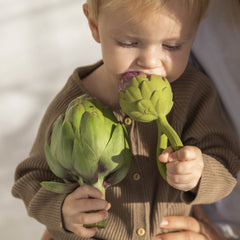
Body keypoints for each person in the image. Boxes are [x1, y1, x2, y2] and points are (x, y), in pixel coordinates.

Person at [12, 1, 240, 239]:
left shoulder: (193, 93)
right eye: (129, 43)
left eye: (172, 46)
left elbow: (226, 164)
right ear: (94, 25)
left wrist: (199, 174)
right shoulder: (72, 105)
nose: (151, 62)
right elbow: (31, 179)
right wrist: (62, 209)